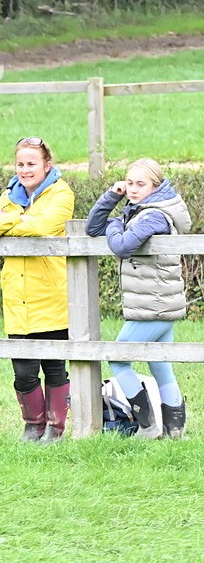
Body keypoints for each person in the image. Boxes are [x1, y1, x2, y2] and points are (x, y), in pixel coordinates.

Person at [0, 137, 75, 443]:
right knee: (23, 371)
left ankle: (55, 429)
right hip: (17, 298)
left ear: (47, 165)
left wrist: (8, 221)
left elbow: (44, 226)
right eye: (20, 164)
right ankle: (33, 426)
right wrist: (20, 217)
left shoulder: (61, 193)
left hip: (51, 295)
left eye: (32, 163)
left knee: (54, 366)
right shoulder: (11, 195)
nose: (25, 170)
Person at [86, 159, 191, 440]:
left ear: (156, 186)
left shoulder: (155, 216)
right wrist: (113, 195)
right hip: (158, 302)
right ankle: (175, 432)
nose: (132, 189)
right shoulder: (139, 212)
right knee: (160, 364)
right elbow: (92, 228)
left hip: (154, 304)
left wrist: (115, 225)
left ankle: (148, 427)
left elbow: (122, 246)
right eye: (129, 182)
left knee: (118, 358)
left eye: (140, 184)